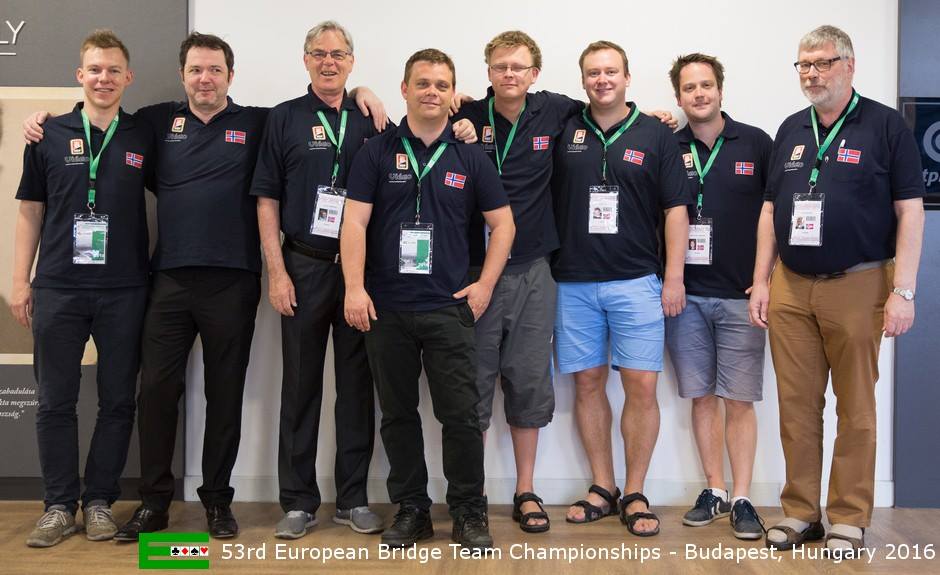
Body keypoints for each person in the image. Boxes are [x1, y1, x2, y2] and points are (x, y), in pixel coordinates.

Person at [450, 30, 676, 534]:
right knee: (476, 387)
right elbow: (416, 118)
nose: (510, 74)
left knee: (531, 384)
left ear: (535, 73)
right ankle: (474, 497)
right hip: (480, 270)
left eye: (519, 66)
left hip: (539, 267)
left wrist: (656, 117)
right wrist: (373, 95)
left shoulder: (556, 112)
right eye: (501, 66)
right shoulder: (464, 116)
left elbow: (612, 110)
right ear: (488, 72)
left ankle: (537, 490)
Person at [749, 25, 924, 556]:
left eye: (823, 63)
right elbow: (771, 210)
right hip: (790, 287)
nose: (811, 73)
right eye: (804, 64)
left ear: (849, 65)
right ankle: (801, 511)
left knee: (856, 407)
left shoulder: (886, 126)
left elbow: (910, 211)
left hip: (860, 284)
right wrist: (761, 280)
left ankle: (848, 517)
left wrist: (904, 291)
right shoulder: (791, 128)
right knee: (796, 406)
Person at [341, 48, 514, 550]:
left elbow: (504, 225)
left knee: (460, 416)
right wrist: (354, 287)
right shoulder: (375, 152)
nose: (431, 92)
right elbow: (354, 222)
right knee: (397, 415)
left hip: (448, 307)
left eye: (441, 85)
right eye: (422, 83)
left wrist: (485, 285)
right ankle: (412, 509)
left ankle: (468, 511)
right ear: (405, 89)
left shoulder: (470, 155)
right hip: (386, 307)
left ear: (452, 94)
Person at [12, 30, 152, 547]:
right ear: (80, 75)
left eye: (113, 70)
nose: (104, 78)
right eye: (95, 69)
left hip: (125, 289)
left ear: (128, 77)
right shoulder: (47, 133)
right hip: (58, 288)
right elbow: (30, 210)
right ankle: (57, 505)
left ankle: (98, 502)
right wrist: (19, 281)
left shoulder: (143, 134)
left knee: (117, 402)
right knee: (55, 402)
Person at [250, 21, 387, 539]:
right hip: (303, 266)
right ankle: (298, 502)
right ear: (305, 59)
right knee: (300, 386)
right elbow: (267, 199)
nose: (328, 62)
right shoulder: (284, 118)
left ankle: (352, 499)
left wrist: (366, 93)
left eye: (338, 54)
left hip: (359, 274)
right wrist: (277, 273)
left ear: (352, 61)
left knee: (356, 388)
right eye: (319, 53)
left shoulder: (372, 118)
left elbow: (427, 131)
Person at [551, 40, 692, 537]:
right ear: (583, 80)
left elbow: (676, 210)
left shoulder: (655, 134)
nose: (602, 80)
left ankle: (634, 491)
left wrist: (673, 277)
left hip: (637, 281)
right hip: (573, 281)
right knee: (587, 384)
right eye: (593, 72)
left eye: (611, 71)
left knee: (642, 385)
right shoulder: (564, 127)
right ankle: (602, 486)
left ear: (627, 77)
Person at [665, 53, 772, 540]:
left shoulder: (756, 142)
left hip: (740, 296)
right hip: (685, 296)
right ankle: (715, 490)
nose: (699, 94)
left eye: (706, 85)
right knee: (702, 397)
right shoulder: (667, 144)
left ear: (721, 90)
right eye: (689, 88)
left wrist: (766, 277)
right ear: (679, 96)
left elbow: (777, 213)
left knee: (739, 400)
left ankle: (744, 497)